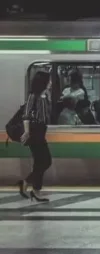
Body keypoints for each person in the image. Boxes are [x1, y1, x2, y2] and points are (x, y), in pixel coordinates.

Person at [17, 70, 53, 202]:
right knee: (45, 161)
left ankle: (34, 189)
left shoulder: (45, 95)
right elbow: (26, 115)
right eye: (49, 80)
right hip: (34, 132)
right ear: (42, 82)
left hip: (41, 131)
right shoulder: (34, 96)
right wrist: (27, 132)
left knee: (40, 162)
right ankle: (28, 183)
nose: (51, 83)